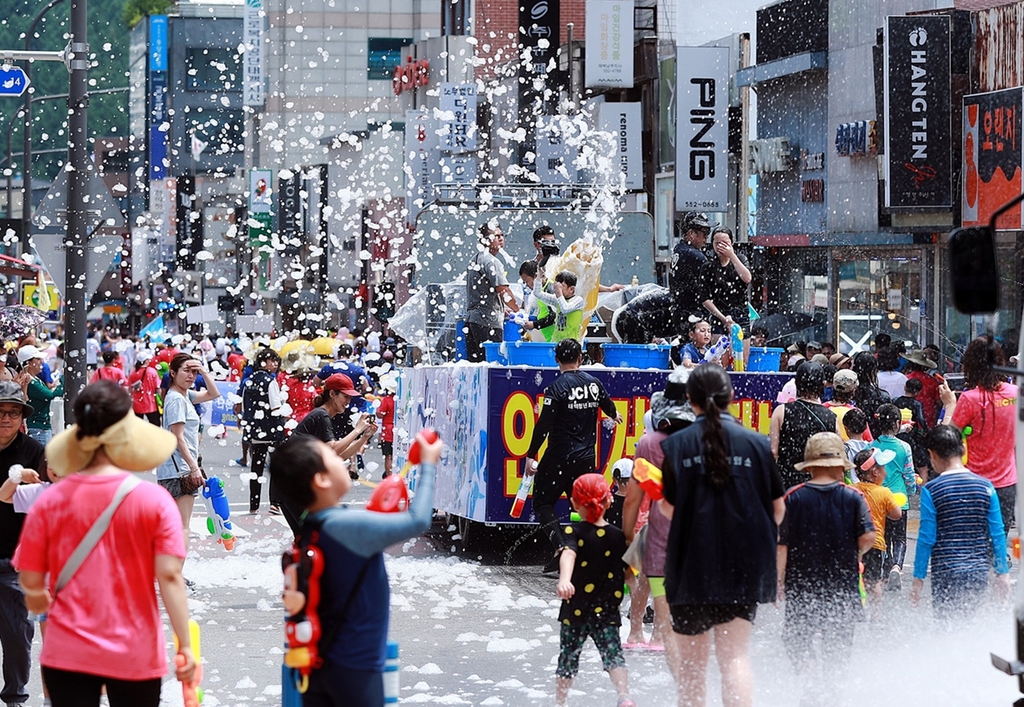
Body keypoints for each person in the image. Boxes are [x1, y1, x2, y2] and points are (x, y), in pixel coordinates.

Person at [13, 381, 195, 707]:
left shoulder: (50, 501)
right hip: (135, 650)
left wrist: (40, 600)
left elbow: (29, 573)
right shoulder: (153, 501)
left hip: (67, 651)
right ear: (126, 434)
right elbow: (170, 577)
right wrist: (185, 646)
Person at [269, 433, 439, 707]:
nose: (341, 459)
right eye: (332, 457)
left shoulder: (311, 529)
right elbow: (417, 520)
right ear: (322, 480)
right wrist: (428, 464)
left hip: (318, 666)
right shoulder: (346, 525)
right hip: (355, 670)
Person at [661, 365, 785, 707]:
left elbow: (670, 510)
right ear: (731, 398)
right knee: (734, 659)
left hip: (691, 566)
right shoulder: (758, 445)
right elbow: (778, 511)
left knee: (692, 668)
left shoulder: (676, 446)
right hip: (744, 566)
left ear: (690, 400)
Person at [777, 433, 875, 701]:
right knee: (839, 640)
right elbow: (868, 537)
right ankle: (832, 692)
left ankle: (810, 678)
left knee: (795, 636)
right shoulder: (852, 497)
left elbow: (782, 544)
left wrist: (778, 580)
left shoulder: (793, 497)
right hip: (842, 584)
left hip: (802, 584)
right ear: (839, 466)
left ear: (809, 466)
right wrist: (853, 552)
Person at [525, 339, 621, 573]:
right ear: (580, 359)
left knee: (543, 501)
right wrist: (614, 414)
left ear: (556, 359)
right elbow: (608, 405)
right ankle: (588, 552)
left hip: (559, 456)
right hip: (586, 458)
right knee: (581, 507)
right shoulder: (594, 383)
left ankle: (561, 547)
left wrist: (530, 455)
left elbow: (543, 425)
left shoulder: (556, 388)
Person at [622, 370, 696, 668]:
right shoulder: (700, 439)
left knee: (649, 579)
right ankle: (662, 635)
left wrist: (627, 532)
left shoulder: (649, 443)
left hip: (656, 517)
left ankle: (637, 630)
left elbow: (633, 495)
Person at [910, 425, 1011, 618]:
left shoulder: (932, 490)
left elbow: (926, 538)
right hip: (978, 572)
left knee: (947, 624)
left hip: (946, 573)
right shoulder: (986, 487)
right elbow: (997, 533)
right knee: (971, 622)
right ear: (963, 450)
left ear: (932, 455)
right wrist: (1002, 573)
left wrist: (918, 578)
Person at [553, 474, 634, 707]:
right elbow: (630, 573)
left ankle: (561, 703)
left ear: (574, 503)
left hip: (576, 609)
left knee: (567, 659)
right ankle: (624, 696)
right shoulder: (618, 537)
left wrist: (565, 580)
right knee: (613, 656)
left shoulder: (573, 532)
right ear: (609, 502)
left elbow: (568, 553)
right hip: (607, 610)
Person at [940, 335, 1018, 537]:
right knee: (998, 541)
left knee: (975, 545)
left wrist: (949, 404)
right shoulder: (1016, 394)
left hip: (973, 485)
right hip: (1007, 485)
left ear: (970, 365)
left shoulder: (969, 399)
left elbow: (945, 440)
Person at [0, 382, 45, 707]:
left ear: (22, 417)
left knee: (17, 637)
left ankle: (14, 698)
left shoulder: (33, 451)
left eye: (12, 413)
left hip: (14, 560)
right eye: (0, 412)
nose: (5, 419)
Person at [157, 353, 221, 565]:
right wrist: (194, 467)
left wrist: (203, 370)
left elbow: (214, 393)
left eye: (193, 372)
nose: (191, 376)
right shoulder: (176, 399)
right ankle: (175, 575)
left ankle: (170, 573)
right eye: (187, 371)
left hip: (178, 468)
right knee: (183, 526)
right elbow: (178, 437)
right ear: (173, 373)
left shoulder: (184, 395)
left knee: (175, 525)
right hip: (179, 470)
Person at [868, 403, 916, 590]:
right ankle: (897, 566)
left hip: (878, 499)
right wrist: (911, 491)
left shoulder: (871, 446)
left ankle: (885, 569)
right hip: (899, 498)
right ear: (897, 424)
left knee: (884, 535)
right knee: (900, 537)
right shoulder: (904, 447)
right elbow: (909, 474)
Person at [770, 362, 839, 489]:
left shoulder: (781, 411)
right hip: (818, 483)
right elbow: (836, 455)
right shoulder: (831, 417)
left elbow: (773, 452)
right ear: (823, 385)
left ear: (796, 384)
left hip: (787, 480)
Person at [852, 448, 904, 602]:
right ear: (875, 472)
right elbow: (897, 514)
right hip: (875, 544)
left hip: (853, 544)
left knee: (853, 579)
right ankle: (876, 618)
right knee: (874, 583)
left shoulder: (852, 489)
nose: (886, 472)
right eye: (883, 468)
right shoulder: (884, 492)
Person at [464, 222, 519, 361]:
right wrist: (518, 311)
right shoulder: (492, 262)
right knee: (492, 364)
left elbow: (485, 291)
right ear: (485, 240)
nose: (501, 239)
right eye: (496, 236)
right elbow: (503, 290)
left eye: (502, 235)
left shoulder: (475, 259)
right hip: (487, 322)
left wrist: (501, 307)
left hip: (473, 321)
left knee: (476, 366)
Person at [242, 348, 287, 514]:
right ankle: (274, 503)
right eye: (272, 361)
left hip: (255, 431)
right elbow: (276, 408)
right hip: (272, 431)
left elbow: (245, 406)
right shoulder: (270, 381)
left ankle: (254, 504)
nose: (275, 364)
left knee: (256, 467)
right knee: (276, 467)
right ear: (263, 362)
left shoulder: (249, 381)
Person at [700, 227, 752, 334]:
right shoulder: (708, 267)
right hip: (719, 313)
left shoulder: (740, 259)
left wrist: (732, 255)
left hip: (740, 312)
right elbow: (704, 298)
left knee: (741, 348)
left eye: (725, 243)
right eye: (717, 243)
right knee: (719, 348)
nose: (721, 246)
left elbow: (747, 278)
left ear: (731, 243)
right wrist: (723, 318)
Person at [669, 212, 711, 334]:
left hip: (679, 311)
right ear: (691, 234)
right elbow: (712, 284)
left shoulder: (679, 247)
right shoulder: (695, 255)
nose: (706, 239)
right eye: (704, 234)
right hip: (692, 314)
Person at [20, 345, 63, 447]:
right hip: (38, 429)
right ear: (29, 363)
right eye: (38, 359)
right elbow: (50, 396)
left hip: (42, 427)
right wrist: (64, 380)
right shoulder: (30, 382)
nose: (42, 362)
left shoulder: (35, 379)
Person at [531, 270, 585, 342]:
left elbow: (565, 309)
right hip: (556, 342)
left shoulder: (578, 301)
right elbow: (537, 293)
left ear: (571, 289)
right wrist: (539, 277)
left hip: (570, 344)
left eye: (561, 287)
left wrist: (559, 294)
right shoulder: (558, 299)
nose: (556, 290)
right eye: (556, 286)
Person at [852, 351, 891, 437]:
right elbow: (888, 424)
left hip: (853, 440)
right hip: (877, 442)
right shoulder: (882, 396)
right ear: (874, 371)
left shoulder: (849, 394)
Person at [902, 349, 941, 427]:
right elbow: (938, 401)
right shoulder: (933, 381)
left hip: (909, 413)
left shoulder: (906, 379)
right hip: (928, 414)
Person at [128, 350, 161, 426]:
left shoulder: (133, 373)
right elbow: (158, 387)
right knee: (155, 425)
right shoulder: (152, 371)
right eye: (148, 359)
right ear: (145, 361)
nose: (149, 361)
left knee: (138, 425)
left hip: (137, 403)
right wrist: (161, 400)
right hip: (150, 403)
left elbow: (130, 388)